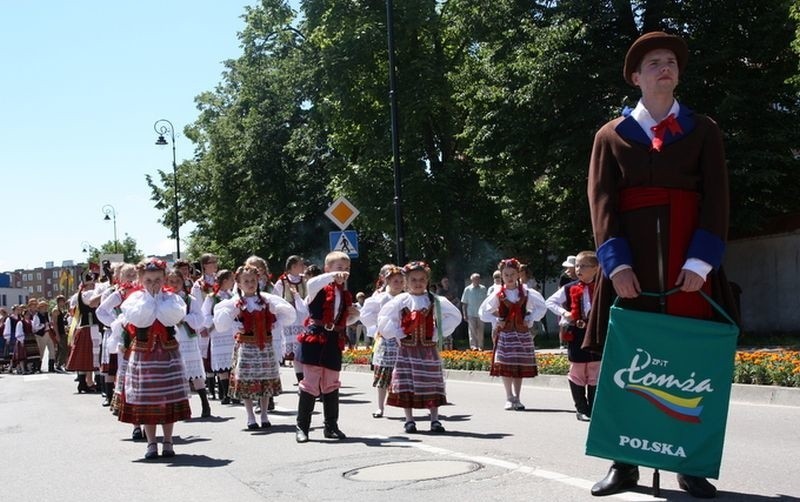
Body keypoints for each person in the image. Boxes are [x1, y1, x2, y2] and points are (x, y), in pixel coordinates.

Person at [585, 31, 737, 499]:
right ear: (636, 76)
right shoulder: (611, 135)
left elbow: (717, 200)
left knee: (691, 364)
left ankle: (690, 465)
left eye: (670, 60)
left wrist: (701, 262)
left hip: (688, 269)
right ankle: (623, 464)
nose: (664, 67)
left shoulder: (703, 129)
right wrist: (617, 265)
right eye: (653, 62)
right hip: (634, 270)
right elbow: (602, 203)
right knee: (627, 365)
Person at [116, 258, 190, 460]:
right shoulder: (135, 299)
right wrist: (151, 300)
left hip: (167, 353)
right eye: (148, 280)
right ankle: (151, 443)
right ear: (141, 280)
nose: (153, 284)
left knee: (168, 397)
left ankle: (168, 440)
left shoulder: (172, 298)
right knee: (147, 399)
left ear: (164, 278)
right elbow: (142, 319)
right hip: (144, 354)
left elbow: (171, 318)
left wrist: (159, 301)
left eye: (157, 279)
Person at [377, 261, 461, 433]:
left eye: (421, 279)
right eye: (413, 279)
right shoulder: (401, 300)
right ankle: (409, 420)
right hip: (407, 349)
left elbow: (455, 315)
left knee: (431, 382)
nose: (418, 283)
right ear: (406, 281)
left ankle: (435, 419)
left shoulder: (435, 300)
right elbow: (384, 319)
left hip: (428, 350)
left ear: (427, 280)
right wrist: (398, 332)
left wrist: (438, 332)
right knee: (408, 383)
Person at [214, 265, 296, 430]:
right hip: (246, 346)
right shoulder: (234, 303)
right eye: (246, 281)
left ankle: (264, 414)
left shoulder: (266, 299)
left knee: (265, 380)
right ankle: (251, 416)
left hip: (265, 345)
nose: (250, 284)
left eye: (253, 280)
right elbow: (221, 324)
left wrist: (275, 319)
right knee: (247, 381)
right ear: (239, 282)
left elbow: (288, 315)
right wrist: (235, 320)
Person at [295, 251, 360, 443]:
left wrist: (354, 315)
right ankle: (302, 427)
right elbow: (311, 284)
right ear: (327, 269)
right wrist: (333, 276)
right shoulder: (318, 288)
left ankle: (331, 426)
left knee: (331, 383)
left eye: (347, 269)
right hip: (315, 337)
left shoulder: (344, 293)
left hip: (334, 338)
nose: (344, 272)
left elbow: (346, 320)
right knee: (310, 382)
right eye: (339, 268)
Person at [479, 258, 547, 410]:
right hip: (506, 334)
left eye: (512, 274)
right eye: (506, 275)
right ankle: (509, 396)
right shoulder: (498, 293)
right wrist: (497, 320)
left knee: (519, 366)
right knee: (506, 365)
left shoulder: (527, 292)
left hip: (522, 334)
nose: (509, 277)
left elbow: (542, 307)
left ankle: (517, 397)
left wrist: (530, 318)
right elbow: (483, 312)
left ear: (518, 275)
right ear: (502, 276)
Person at [545, 251, 602, 422]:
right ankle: (581, 408)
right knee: (577, 369)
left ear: (596, 268)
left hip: (596, 333)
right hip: (577, 333)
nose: (578, 269)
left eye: (583, 266)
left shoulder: (602, 288)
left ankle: (593, 408)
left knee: (594, 369)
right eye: (577, 265)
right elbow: (550, 302)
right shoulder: (569, 288)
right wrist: (565, 313)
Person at [360, 264, 404, 418]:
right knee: (383, 374)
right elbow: (366, 314)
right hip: (386, 341)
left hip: (404, 340)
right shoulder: (381, 297)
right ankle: (380, 407)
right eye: (395, 281)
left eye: (400, 281)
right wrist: (380, 326)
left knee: (404, 374)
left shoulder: (406, 297)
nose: (398, 284)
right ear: (388, 282)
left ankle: (408, 407)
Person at [166, 269, 211, 418]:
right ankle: (182, 408)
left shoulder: (190, 299)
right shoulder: (165, 300)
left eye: (177, 282)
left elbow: (200, 319)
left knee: (195, 372)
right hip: (171, 339)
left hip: (188, 338)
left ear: (182, 282)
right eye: (171, 282)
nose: (174, 285)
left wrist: (183, 318)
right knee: (176, 373)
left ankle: (205, 403)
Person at [273, 255, 309, 384]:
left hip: (304, 316)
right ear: (293, 267)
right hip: (290, 318)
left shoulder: (305, 280)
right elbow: (275, 298)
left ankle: (306, 377)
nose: (303, 267)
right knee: (294, 351)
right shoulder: (282, 281)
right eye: (300, 264)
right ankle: (300, 379)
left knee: (305, 348)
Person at [202, 270, 235, 404]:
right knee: (222, 366)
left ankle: (233, 393)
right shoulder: (212, 297)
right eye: (231, 280)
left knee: (231, 363)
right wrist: (216, 321)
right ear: (225, 281)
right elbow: (205, 314)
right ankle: (225, 393)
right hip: (218, 333)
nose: (233, 282)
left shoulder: (233, 296)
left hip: (231, 332)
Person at [67, 273, 102, 392]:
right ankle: (90, 382)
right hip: (91, 328)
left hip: (83, 327)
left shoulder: (77, 296)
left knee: (86, 356)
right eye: (92, 283)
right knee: (92, 356)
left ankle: (83, 382)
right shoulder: (88, 295)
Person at [460, 273, 487, 350]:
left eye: (478, 279)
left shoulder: (483, 288)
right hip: (471, 313)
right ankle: (473, 346)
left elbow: (486, 301)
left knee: (480, 330)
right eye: (475, 279)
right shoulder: (467, 289)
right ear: (471, 280)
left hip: (481, 313)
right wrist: (464, 314)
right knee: (472, 330)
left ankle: (480, 346)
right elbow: (464, 303)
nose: (477, 280)